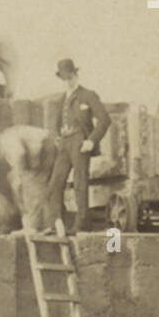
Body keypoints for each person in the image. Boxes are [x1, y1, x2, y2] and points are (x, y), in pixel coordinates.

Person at [44, 59, 110, 235]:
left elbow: (104, 119)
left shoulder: (88, 95)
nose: (68, 81)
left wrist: (91, 140)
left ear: (76, 75)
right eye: (65, 78)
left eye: (70, 77)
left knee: (81, 183)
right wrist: (57, 137)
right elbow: (56, 123)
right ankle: (55, 223)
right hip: (65, 143)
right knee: (54, 184)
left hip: (80, 142)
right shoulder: (61, 99)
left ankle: (82, 225)